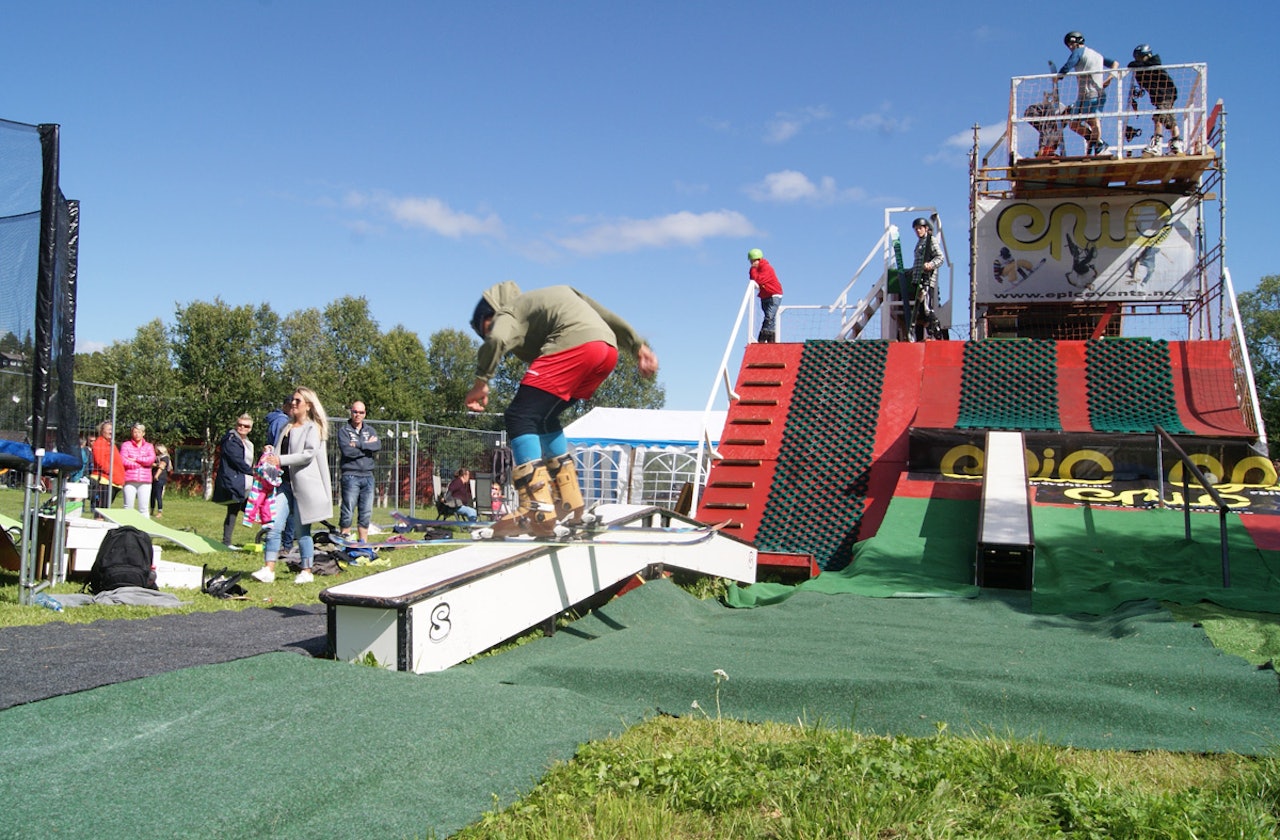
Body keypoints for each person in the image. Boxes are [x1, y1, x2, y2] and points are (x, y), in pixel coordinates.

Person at [465, 282, 658, 537]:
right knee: (545, 419)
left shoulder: (507, 311)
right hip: (606, 352)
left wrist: (481, 382)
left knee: (520, 416)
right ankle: (571, 502)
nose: (487, 338)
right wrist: (637, 346)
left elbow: (498, 337)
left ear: (490, 313)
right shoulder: (555, 296)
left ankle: (536, 509)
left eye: (484, 331)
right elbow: (606, 315)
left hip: (574, 346)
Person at [251, 387, 333, 585]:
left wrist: (280, 459)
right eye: (292, 400)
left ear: (308, 405)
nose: (293, 403)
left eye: (298, 401)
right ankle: (268, 568)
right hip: (283, 485)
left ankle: (307, 570)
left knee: (302, 531)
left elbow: (308, 454)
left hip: (304, 488)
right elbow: (280, 452)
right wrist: (271, 453)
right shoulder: (286, 427)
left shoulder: (312, 428)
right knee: (272, 525)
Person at [1057, 31, 1120, 156]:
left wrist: (1058, 76)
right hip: (1089, 94)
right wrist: (1110, 77)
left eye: (1071, 43)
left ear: (1077, 41)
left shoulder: (1079, 52)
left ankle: (1099, 145)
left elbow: (1069, 65)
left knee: (1091, 120)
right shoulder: (1097, 55)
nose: (1070, 47)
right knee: (1075, 123)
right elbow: (1115, 63)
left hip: (1090, 94)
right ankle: (1096, 142)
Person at [1128, 44, 1184, 157]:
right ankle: (1176, 144)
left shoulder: (1154, 63)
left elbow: (1136, 65)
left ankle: (1157, 145)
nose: (1138, 60)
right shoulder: (1144, 68)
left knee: (1158, 118)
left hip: (1165, 94)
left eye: (1140, 57)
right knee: (1169, 120)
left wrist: (1137, 65)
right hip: (1163, 96)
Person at [337, 400, 380, 543]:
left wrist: (359, 444)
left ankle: (363, 544)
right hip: (350, 476)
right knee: (348, 511)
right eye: (355, 411)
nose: (358, 415)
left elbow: (377, 445)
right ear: (351, 412)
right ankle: (345, 542)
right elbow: (347, 451)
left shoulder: (370, 430)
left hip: (368, 476)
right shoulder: (344, 431)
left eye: (361, 412)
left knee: (366, 512)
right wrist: (367, 447)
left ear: (365, 413)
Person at [211, 414, 255, 547]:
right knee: (248, 508)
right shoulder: (231, 440)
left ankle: (226, 542)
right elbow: (236, 460)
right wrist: (253, 472)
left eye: (246, 426)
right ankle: (227, 542)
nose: (242, 428)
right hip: (234, 481)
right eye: (239, 425)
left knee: (236, 509)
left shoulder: (247, 443)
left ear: (250, 428)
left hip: (244, 481)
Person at [264, 395, 295, 555]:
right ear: (286, 406)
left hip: (280, 469)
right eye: (292, 406)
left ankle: (283, 542)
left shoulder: (279, 420)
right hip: (283, 472)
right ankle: (286, 544)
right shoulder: (282, 422)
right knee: (287, 510)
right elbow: (279, 446)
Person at [908, 217, 945, 341]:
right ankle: (920, 337)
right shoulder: (919, 243)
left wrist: (931, 265)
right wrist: (910, 272)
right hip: (917, 281)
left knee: (927, 308)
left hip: (927, 280)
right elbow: (917, 263)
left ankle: (938, 332)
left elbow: (940, 257)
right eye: (916, 229)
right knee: (919, 312)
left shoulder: (930, 240)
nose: (918, 231)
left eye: (920, 228)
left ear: (926, 229)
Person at [119, 423, 157, 516]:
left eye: (139, 432)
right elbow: (123, 460)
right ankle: (127, 527)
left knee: (143, 508)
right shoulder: (126, 445)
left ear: (143, 433)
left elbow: (151, 459)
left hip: (145, 481)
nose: (136, 434)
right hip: (129, 479)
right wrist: (137, 465)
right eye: (134, 432)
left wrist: (136, 459)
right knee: (128, 506)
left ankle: (145, 528)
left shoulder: (149, 446)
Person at [747, 248, 783, 343]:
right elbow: (752, 279)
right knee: (771, 319)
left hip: (774, 295)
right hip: (764, 296)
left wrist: (754, 270)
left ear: (759, 259)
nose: (752, 263)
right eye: (751, 261)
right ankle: (771, 341)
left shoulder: (767, 268)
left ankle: (762, 338)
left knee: (769, 317)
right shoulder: (754, 269)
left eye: (754, 261)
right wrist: (753, 269)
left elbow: (759, 280)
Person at [89, 421, 125, 513]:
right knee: (100, 510)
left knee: (105, 509)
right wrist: (112, 472)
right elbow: (100, 461)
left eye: (112, 429)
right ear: (101, 431)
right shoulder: (100, 443)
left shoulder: (110, 444)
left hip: (112, 481)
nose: (111, 432)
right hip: (103, 481)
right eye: (109, 429)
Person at [150, 444, 172, 517]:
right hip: (153, 478)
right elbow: (152, 464)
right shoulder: (157, 457)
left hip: (160, 478)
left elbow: (161, 467)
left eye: (156, 449)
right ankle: (152, 510)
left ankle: (159, 512)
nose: (155, 450)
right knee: (152, 495)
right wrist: (155, 465)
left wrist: (156, 475)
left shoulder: (165, 457)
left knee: (158, 495)